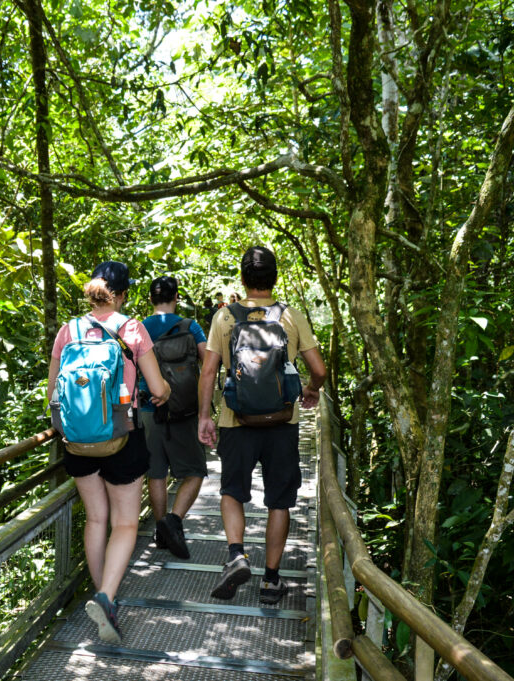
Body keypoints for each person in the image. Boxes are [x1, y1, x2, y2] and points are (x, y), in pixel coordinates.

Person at [47, 261, 171, 643]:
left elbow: (52, 391)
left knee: (96, 520)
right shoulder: (132, 329)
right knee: (126, 524)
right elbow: (158, 387)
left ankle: (104, 598)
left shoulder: (68, 330)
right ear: (122, 294)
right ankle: (106, 597)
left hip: (77, 441)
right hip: (122, 437)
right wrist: (160, 393)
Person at [197, 246, 326, 605]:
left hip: (236, 420)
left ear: (243, 278)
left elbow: (208, 371)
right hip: (282, 421)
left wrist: (205, 416)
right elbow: (319, 369)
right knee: (278, 501)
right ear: (275, 278)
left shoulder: (224, 318)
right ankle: (271, 581)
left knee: (232, 491)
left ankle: (237, 554)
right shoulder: (291, 316)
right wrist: (312, 391)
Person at [139, 276, 208, 559]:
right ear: (176, 297)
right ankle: (175, 520)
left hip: (147, 409)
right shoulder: (191, 326)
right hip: (184, 410)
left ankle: (160, 529)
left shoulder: (140, 328)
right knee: (194, 471)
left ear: (151, 300)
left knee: (156, 472)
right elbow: (208, 362)